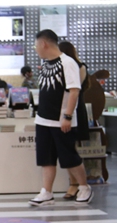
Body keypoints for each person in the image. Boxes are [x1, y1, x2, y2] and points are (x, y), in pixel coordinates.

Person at [29, 30, 92, 206]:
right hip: (43, 119)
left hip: (61, 119)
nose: (36, 49)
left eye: (36, 45)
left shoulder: (68, 63)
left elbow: (74, 91)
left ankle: (84, 186)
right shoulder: (45, 64)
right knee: (46, 157)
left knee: (68, 156)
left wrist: (67, 116)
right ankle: (46, 192)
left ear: (44, 44)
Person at [58, 41, 92, 199]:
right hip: (63, 109)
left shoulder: (79, 67)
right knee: (67, 147)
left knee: (70, 147)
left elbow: (74, 90)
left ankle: (77, 184)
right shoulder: (58, 67)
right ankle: (75, 183)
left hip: (74, 109)